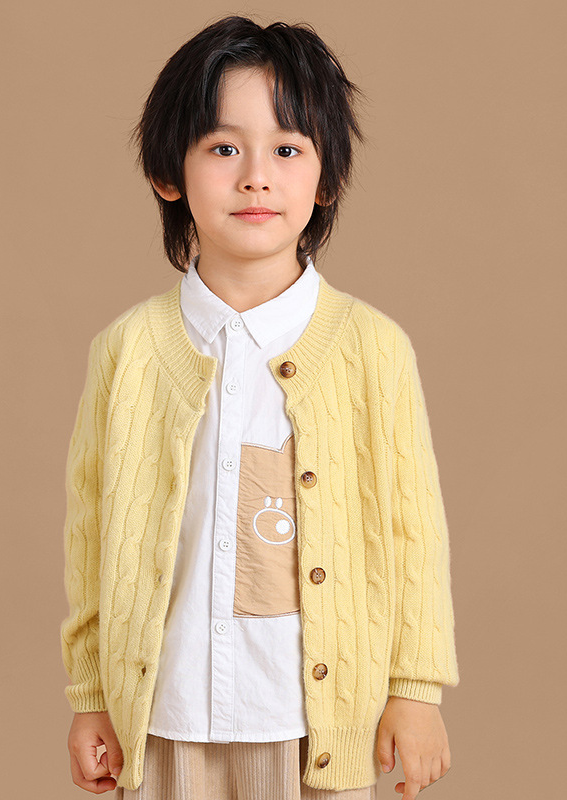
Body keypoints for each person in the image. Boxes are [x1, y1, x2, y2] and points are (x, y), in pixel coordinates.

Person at [60, 14, 460, 800]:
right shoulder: (126, 351)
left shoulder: (373, 349)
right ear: (168, 173)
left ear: (327, 177)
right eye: (222, 149)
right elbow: (92, 535)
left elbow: (412, 531)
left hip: (315, 723)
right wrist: (91, 695)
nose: (255, 177)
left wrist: (416, 690)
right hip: (166, 719)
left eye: (287, 149)